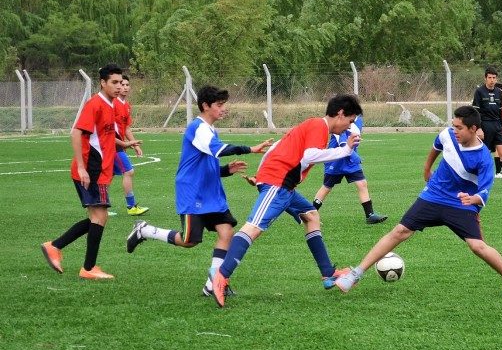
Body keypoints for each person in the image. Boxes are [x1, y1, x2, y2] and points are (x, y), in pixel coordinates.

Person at [334, 106, 502, 300]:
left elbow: (484, 192)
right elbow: (436, 146)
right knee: (400, 231)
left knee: (478, 246)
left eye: (459, 127)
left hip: (460, 204)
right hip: (433, 195)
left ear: (473, 128)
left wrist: (472, 199)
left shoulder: (484, 158)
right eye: (453, 126)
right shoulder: (448, 135)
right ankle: (356, 274)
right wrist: (427, 169)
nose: (454, 131)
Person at [211, 94, 364, 308]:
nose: (349, 127)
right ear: (340, 114)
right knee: (253, 228)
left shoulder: (313, 126)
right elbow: (311, 155)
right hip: (278, 183)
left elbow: (280, 148)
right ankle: (220, 277)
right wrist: (345, 150)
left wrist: (260, 176)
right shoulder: (319, 126)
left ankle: (328, 274)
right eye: (350, 121)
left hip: (282, 184)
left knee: (311, 216)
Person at [125, 85, 273, 297]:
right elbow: (219, 150)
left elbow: (206, 163)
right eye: (220, 105)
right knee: (189, 241)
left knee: (226, 232)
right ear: (205, 105)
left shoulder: (210, 129)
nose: (224, 109)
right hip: (192, 193)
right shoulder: (198, 128)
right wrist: (251, 149)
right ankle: (145, 230)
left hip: (211, 193)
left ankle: (213, 284)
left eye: (224, 105)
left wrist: (225, 170)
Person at [40, 64, 123, 279]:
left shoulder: (111, 105)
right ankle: (87, 268)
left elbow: (102, 138)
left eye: (120, 82)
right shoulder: (95, 104)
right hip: (90, 170)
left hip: (100, 171)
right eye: (113, 82)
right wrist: (81, 167)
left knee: (99, 217)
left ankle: (57, 247)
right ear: (103, 83)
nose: (118, 86)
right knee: (99, 216)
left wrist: (125, 144)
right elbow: (76, 133)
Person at [312, 114, 387, 224]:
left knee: (362, 183)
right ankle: (310, 214)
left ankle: (370, 215)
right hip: (336, 160)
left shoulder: (358, 121)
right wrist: (356, 157)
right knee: (327, 187)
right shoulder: (341, 123)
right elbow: (343, 145)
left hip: (350, 161)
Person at [472, 67, 502, 190]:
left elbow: (500, 112)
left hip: (497, 126)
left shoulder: (498, 92)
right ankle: (483, 180)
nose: (492, 80)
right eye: (490, 77)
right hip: (485, 126)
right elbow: (476, 111)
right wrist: (478, 128)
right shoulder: (479, 91)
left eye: (494, 78)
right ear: (485, 78)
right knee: (484, 154)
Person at [112, 74, 149, 216]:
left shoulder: (126, 106)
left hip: (120, 144)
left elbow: (126, 128)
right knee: (128, 171)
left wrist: (134, 145)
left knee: (107, 176)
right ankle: (131, 206)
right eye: (122, 84)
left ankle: (100, 206)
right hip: (112, 144)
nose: (125, 87)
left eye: (127, 85)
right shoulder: (113, 104)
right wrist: (123, 144)